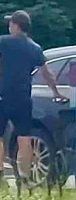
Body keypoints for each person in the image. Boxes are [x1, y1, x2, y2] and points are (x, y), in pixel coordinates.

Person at [0, 10, 65, 185]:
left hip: (2, 96)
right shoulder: (35, 48)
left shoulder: (3, 42)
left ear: (15, 25)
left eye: (11, 23)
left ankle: (0, 176)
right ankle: (25, 176)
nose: (9, 26)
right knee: (24, 138)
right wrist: (56, 92)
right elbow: (47, 74)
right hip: (23, 98)